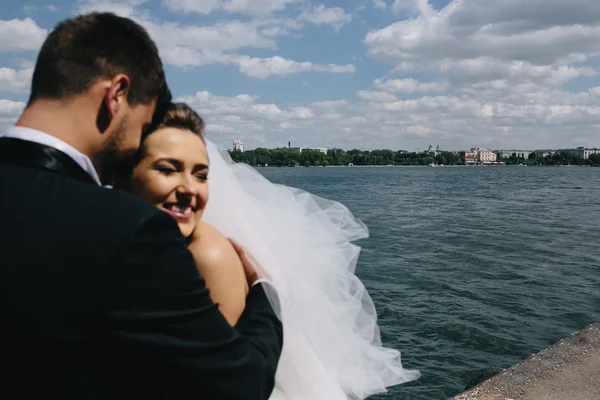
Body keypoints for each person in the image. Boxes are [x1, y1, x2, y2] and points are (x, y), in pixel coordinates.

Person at [0, 12, 282, 400]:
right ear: (116, 95)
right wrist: (266, 293)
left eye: (201, 173)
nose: (135, 142)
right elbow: (241, 385)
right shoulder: (129, 230)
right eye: (143, 122)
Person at [118, 102, 422, 399]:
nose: (189, 189)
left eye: (201, 174)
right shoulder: (127, 245)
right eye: (168, 170)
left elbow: (234, 383)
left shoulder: (207, 255)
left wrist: (265, 290)